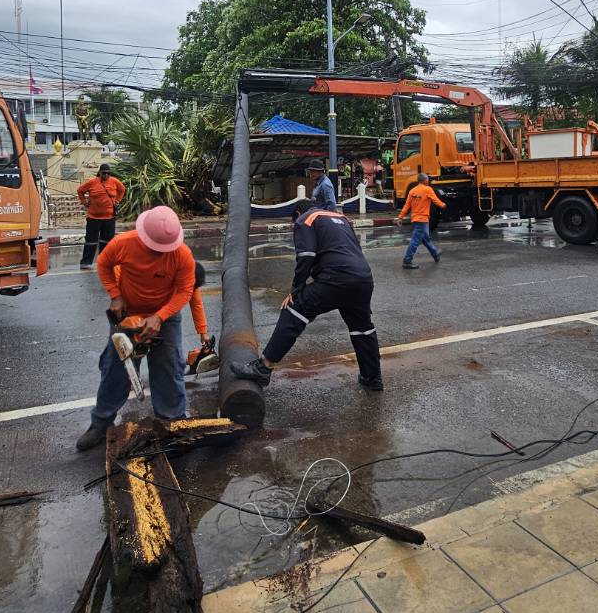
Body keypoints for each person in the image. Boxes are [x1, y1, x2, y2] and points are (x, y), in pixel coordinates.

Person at [76, 205, 196, 451]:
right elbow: (103, 264)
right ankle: (101, 423)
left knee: (169, 368)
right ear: (144, 237)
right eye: (154, 248)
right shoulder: (124, 243)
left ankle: (172, 422)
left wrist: (160, 317)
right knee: (115, 369)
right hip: (128, 314)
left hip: (165, 316)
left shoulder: (182, 254)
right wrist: (115, 295)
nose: (159, 253)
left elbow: (185, 290)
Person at [230, 199, 383, 390]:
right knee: (362, 328)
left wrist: (295, 291)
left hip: (336, 278)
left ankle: (264, 367)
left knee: (293, 309)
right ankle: (372, 378)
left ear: (297, 214)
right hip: (363, 278)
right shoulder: (341, 218)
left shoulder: (305, 219)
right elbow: (353, 250)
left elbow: (306, 256)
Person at [77, 164, 126, 270]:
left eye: (108, 173)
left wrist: (117, 201)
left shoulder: (114, 181)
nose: (106, 175)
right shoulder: (92, 182)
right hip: (93, 218)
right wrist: (84, 202)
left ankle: (104, 261)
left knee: (107, 241)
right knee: (91, 240)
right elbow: (80, 190)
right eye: (104, 173)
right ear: (99, 173)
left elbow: (122, 189)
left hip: (109, 218)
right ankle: (86, 262)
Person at [399, 173, 446, 269]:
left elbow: (407, 205)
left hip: (415, 219)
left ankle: (435, 253)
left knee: (425, 238)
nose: (428, 181)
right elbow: (435, 200)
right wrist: (443, 205)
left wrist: (401, 217)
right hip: (423, 220)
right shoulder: (427, 189)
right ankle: (407, 261)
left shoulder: (412, 191)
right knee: (415, 241)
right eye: (427, 179)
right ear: (425, 180)